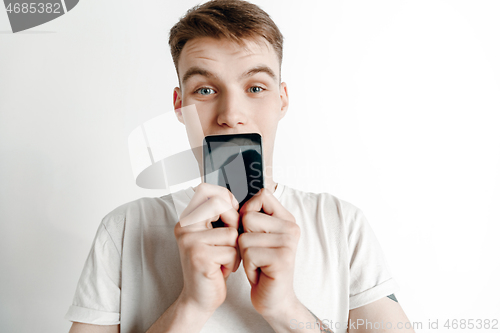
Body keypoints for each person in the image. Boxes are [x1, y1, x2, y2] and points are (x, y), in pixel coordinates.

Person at [65, 1, 415, 332]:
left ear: (282, 100)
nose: (231, 115)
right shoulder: (124, 230)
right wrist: (190, 307)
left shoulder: (340, 223)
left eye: (256, 87)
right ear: (179, 105)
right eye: (204, 90)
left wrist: (286, 309)